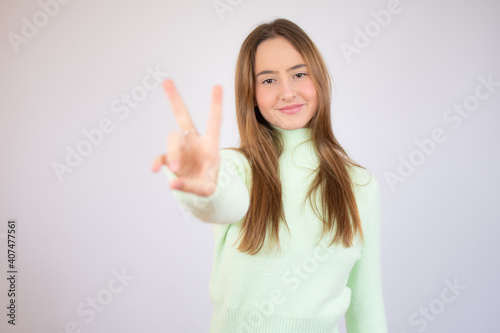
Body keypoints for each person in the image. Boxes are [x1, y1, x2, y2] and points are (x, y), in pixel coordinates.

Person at [151, 18, 388, 333]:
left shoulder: (360, 185)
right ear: (251, 94)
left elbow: (366, 305)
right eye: (268, 80)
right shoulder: (236, 168)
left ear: (319, 80)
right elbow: (224, 201)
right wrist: (204, 187)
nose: (287, 92)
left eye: (299, 74)